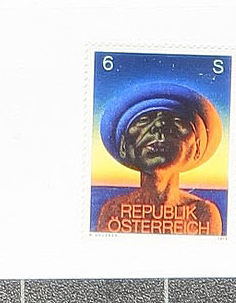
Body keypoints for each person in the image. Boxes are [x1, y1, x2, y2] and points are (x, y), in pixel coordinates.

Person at [94, 79, 224, 234]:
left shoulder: (203, 214)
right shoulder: (113, 212)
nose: (159, 129)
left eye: (176, 121)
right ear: (123, 146)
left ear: (197, 148)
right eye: (143, 120)